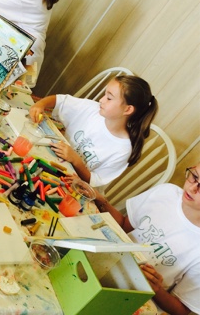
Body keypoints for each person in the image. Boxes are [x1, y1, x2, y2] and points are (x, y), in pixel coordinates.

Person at [93, 163, 200, 315]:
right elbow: (124, 225)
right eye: (194, 176)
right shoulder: (166, 193)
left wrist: (156, 288)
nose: (192, 188)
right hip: (108, 261)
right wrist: (100, 200)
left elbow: (182, 310)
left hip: (135, 297)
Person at [29, 75, 158, 188]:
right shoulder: (93, 109)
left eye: (109, 98)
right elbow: (60, 101)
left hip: (69, 183)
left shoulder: (123, 149)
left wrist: (76, 160)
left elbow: (92, 181)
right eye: (105, 94)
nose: (101, 100)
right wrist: (40, 104)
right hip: (50, 160)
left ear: (128, 109)